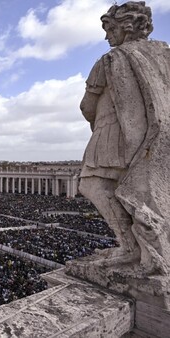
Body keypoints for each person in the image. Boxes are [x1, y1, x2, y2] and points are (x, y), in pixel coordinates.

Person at [78, 1, 170, 275]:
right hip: (155, 138)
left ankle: (131, 246)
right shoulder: (163, 54)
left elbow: (86, 106)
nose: (107, 36)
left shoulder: (110, 59)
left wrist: (96, 123)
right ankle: (150, 248)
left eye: (110, 29)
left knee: (92, 184)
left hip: (113, 134)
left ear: (125, 27)